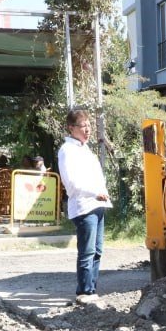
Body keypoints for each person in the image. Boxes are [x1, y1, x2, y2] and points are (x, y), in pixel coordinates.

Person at [57, 108, 111, 304]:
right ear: (71, 128)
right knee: (87, 251)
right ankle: (84, 292)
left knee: (97, 250)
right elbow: (71, 183)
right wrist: (94, 192)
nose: (87, 130)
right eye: (83, 126)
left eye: (89, 126)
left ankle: (92, 289)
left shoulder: (85, 148)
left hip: (97, 204)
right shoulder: (67, 150)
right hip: (84, 205)